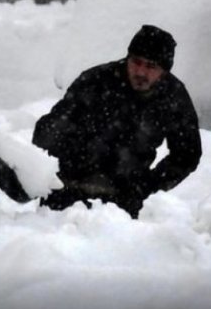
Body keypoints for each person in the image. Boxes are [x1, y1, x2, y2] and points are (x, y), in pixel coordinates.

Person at [32, 24, 202, 218]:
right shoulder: (95, 81)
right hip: (68, 192)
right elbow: (45, 134)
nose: (141, 72)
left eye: (151, 66)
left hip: (123, 202)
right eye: (136, 62)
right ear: (127, 58)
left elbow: (187, 155)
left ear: (163, 72)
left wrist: (147, 186)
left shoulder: (173, 97)